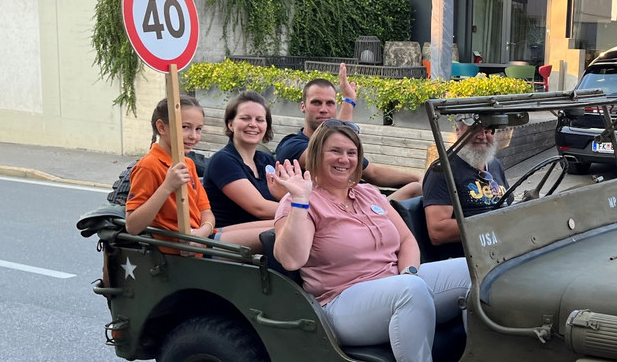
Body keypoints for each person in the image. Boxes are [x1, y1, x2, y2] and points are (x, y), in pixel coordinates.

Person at [272, 122, 469, 362]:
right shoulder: (300, 201)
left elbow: (407, 240)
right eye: (335, 151)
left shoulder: (368, 194)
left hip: (395, 283)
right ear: (316, 153)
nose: (344, 159)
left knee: (471, 270)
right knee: (411, 290)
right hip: (341, 302)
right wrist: (300, 200)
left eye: (351, 153)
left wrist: (408, 272)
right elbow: (290, 259)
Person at [125, 96, 268, 251]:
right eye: (185, 127)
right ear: (161, 127)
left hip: (202, 239)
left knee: (282, 224)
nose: (193, 136)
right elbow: (132, 226)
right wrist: (167, 187)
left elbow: (206, 212)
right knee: (274, 234)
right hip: (184, 250)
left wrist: (201, 233)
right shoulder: (148, 166)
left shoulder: (188, 164)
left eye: (198, 129)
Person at [275, 64, 422, 200]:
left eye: (330, 103)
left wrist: (418, 178)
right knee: (415, 190)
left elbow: (373, 172)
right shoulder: (291, 145)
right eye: (316, 102)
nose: (324, 109)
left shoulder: (343, 152)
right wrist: (348, 101)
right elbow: (325, 150)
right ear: (303, 106)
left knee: (418, 188)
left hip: (359, 203)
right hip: (323, 213)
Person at [422, 116, 510, 258]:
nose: (482, 136)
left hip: (501, 250)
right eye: (474, 129)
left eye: (488, 130)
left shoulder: (495, 165)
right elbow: (438, 231)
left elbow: (509, 208)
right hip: (468, 259)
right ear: (458, 130)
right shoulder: (442, 171)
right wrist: (494, 224)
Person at [203, 90, 286, 227]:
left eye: (259, 120)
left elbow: (285, 196)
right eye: (245, 118)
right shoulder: (222, 161)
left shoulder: (266, 160)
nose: (253, 124)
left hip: (266, 236)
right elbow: (259, 208)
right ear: (231, 124)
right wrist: (305, 211)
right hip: (226, 242)